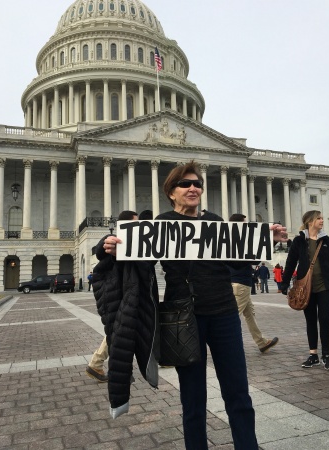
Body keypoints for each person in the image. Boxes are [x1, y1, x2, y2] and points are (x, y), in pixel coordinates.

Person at [102, 162, 287, 448]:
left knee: (238, 393)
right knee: (193, 398)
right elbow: (139, 258)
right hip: (183, 317)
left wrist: (265, 239)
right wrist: (112, 245)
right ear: (171, 192)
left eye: (197, 184)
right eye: (185, 184)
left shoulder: (215, 222)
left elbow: (237, 260)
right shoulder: (161, 224)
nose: (193, 188)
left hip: (224, 313)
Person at [281, 210, 329, 370]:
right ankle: (313, 355)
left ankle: (326, 355)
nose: (322, 221)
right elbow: (291, 262)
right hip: (306, 289)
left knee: (324, 319)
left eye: (322, 218)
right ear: (310, 222)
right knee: (310, 320)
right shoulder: (299, 241)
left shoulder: (327, 241)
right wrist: (284, 283)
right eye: (319, 218)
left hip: (325, 286)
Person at [85, 210, 140, 384]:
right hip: (118, 296)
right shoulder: (117, 242)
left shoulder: (132, 244)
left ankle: (98, 363)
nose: (139, 226)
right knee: (120, 333)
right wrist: (105, 243)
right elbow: (103, 248)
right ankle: (98, 363)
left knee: (122, 332)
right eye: (135, 223)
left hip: (124, 296)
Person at [229, 213, 279, 354]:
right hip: (240, 284)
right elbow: (255, 260)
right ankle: (222, 346)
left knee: (250, 314)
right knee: (231, 317)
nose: (248, 226)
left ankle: (262, 343)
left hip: (239, 283)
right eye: (245, 223)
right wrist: (272, 242)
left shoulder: (230, 240)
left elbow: (254, 259)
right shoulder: (239, 240)